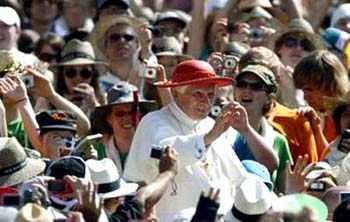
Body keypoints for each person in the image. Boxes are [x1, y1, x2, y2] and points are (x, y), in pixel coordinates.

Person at [123, 60, 278, 221]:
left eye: (210, 95)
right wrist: (208, 137)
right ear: (176, 93)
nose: (206, 101)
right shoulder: (153, 122)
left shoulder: (209, 124)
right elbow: (164, 152)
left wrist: (260, 201)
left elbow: (238, 176)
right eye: (198, 94)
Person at [233, 64, 292, 192]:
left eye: (256, 87)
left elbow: (283, 190)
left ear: (269, 99)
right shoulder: (220, 131)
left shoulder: (278, 141)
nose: (247, 90)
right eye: (241, 84)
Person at [91, 81, 157, 172]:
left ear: (141, 116)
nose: (127, 118)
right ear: (109, 119)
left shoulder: (154, 147)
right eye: (120, 113)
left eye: (132, 112)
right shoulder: (96, 150)